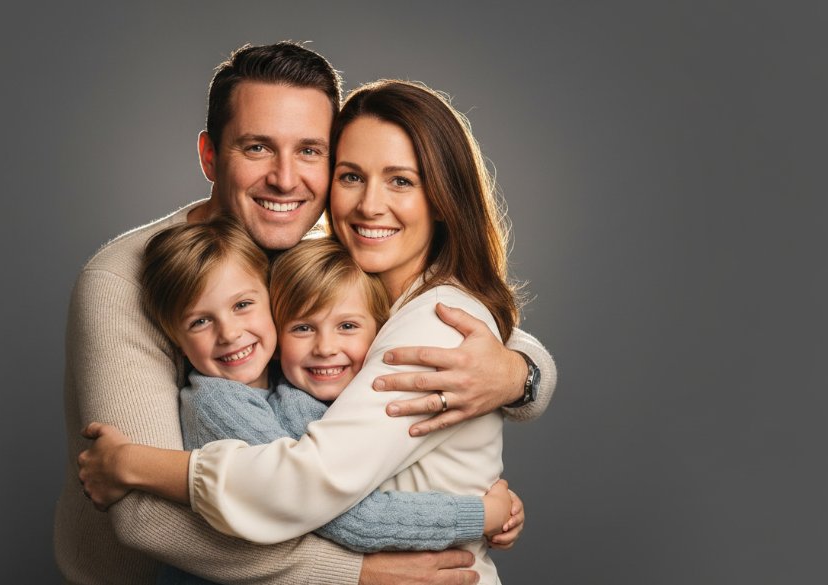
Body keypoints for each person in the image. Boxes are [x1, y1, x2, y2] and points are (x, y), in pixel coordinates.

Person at [56, 41, 556, 585]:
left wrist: (520, 375)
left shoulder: (322, 248)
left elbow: (450, 324)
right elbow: (145, 518)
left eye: (310, 151)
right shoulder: (122, 280)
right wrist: (353, 574)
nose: (286, 178)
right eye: (257, 147)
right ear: (209, 156)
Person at [131, 217, 517, 584]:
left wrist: (518, 371)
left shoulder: (287, 383)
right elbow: (347, 516)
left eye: (242, 306)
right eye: (200, 321)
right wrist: (481, 513)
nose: (230, 334)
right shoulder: (222, 402)